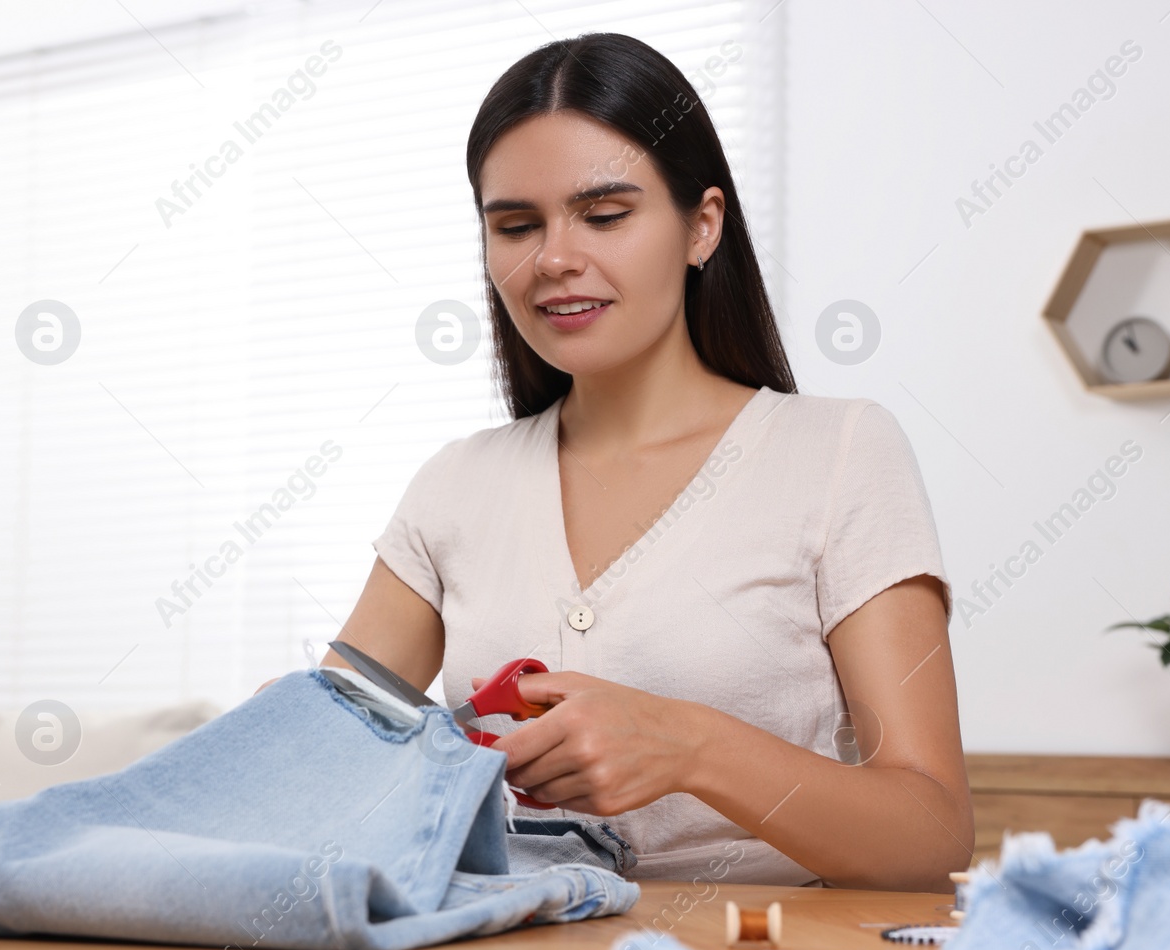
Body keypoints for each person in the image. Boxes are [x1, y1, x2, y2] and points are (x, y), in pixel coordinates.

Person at [284, 32, 972, 891]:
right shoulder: (456, 486)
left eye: (605, 215)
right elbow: (320, 766)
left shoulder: (838, 453)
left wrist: (690, 745)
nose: (554, 259)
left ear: (702, 226)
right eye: (515, 226)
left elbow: (933, 830)